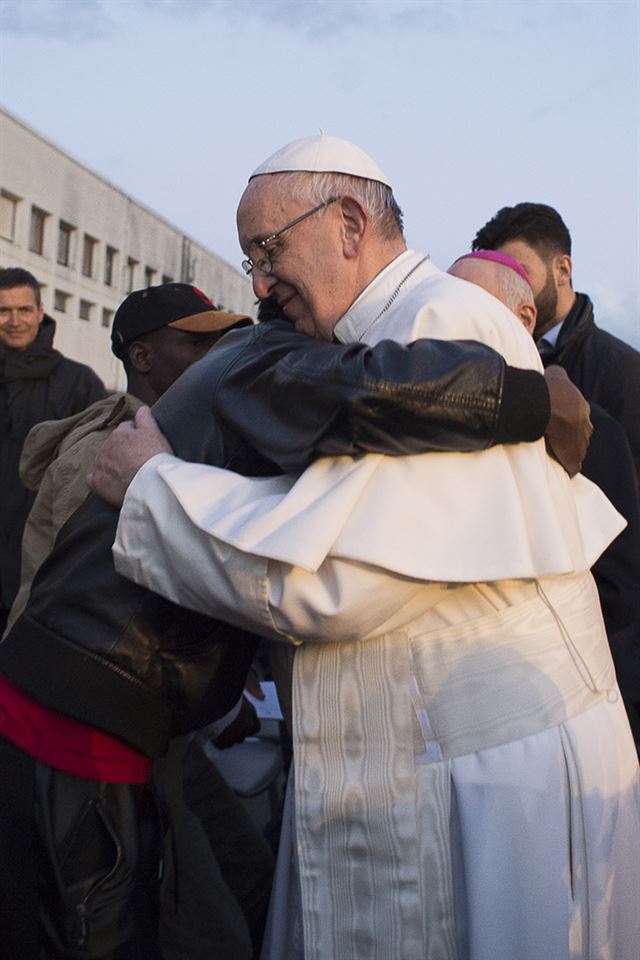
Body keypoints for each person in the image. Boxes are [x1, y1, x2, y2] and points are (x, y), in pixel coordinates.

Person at [92, 136, 639, 960]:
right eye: (250, 258)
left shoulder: (445, 322)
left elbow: (339, 576)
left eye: (267, 250)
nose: (259, 282)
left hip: (490, 788)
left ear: (349, 223)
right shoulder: (377, 330)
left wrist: (152, 487)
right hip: (430, 763)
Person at [0, 262, 584, 958]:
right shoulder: (267, 359)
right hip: (84, 713)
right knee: (92, 929)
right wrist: (532, 400)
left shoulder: (244, 361)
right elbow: (372, 393)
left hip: (101, 701)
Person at [2, 281, 275, 960]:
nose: (216, 353)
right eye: (198, 341)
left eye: (221, 339)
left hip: (151, 732)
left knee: (246, 878)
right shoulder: (104, 454)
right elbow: (80, 608)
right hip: (83, 738)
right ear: (144, 355)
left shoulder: (188, 438)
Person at [450, 251, 640, 744]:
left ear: (524, 318)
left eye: (470, 305)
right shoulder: (432, 424)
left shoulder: (597, 429)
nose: (450, 321)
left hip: (569, 699)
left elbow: (619, 589)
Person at [471, 202, 640, 493]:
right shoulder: (484, 360)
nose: (510, 290)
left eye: (521, 274)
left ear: (562, 269)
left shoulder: (626, 372)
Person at [0, 267, 106, 633]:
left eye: (23, 310)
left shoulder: (78, 383)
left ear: (40, 312)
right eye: (3, 311)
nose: (14, 321)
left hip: (41, 562)